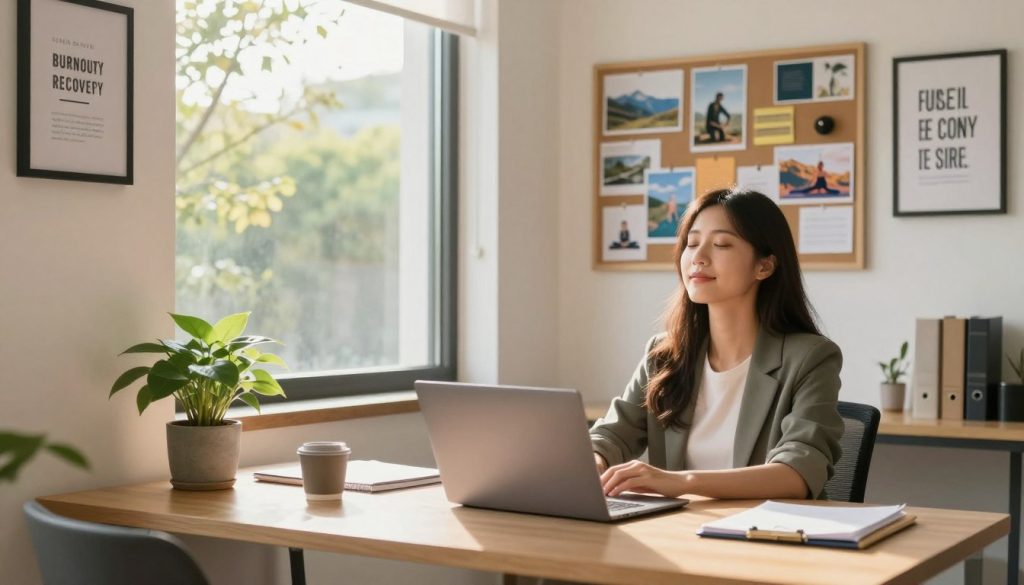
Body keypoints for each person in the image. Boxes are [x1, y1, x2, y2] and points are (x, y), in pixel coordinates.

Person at [591, 188, 844, 501]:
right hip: (674, 536)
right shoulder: (664, 355)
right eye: (692, 243)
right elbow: (612, 434)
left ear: (764, 266)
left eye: (721, 244)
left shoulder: (810, 358)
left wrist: (682, 482)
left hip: (761, 538)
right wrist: (596, 459)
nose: (698, 257)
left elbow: (798, 472)